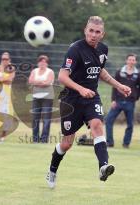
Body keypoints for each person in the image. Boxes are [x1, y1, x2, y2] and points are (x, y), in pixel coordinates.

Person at [46, 16, 131, 188]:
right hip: (71, 100)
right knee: (67, 143)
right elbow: (62, 76)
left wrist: (119, 85)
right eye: (90, 30)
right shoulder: (75, 49)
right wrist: (80, 89)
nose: (93, 34)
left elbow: (100, 72)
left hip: (91, 97)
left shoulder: (103, 50)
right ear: (85, 30)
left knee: (97, 124)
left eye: (97, 32)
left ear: (102, 34)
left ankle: (103, 166)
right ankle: (52, 170)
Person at [106, 54, 140, 148]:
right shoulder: (119, 72)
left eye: (133, 60)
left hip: (130, 102)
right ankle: (110, 142)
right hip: (118, 101)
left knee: (130, 124)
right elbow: (114, 87)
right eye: (130, 59)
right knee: (108, 120)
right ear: (126, 60)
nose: (131, 61)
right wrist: (113, 100)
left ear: (135, 62)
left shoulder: (138, 74)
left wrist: (136, 97)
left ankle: (126, 143)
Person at [28, 55, 55, 143]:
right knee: (35, 119)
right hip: (36, 97)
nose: (42, 63)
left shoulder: (50, 72)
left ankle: (44, 140)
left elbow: (47, 83)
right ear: (38, 63)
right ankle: (35, 139)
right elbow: (30, 81)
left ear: (47, 63)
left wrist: (37, 83)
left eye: (44, 62)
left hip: (48, 98)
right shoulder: (34, 71)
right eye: (41, 61)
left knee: (46, 119)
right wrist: (41, 82)